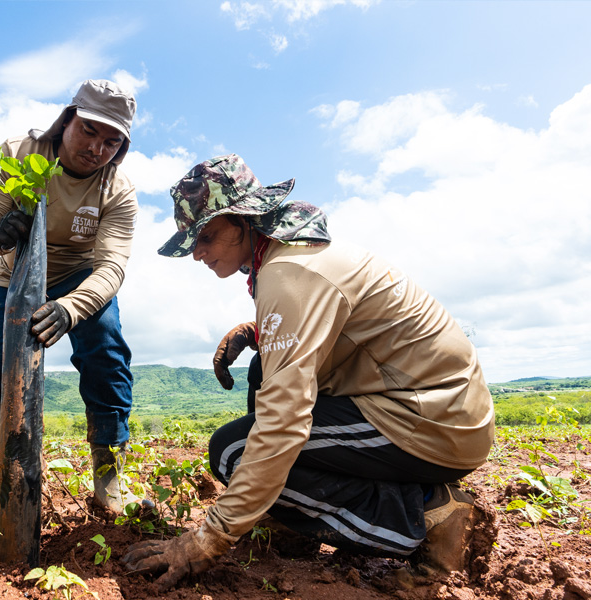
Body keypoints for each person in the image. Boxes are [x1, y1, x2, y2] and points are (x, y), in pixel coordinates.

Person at [122, 154, 495, 589]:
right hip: (427, 406)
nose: (198, 253)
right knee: (265, 371)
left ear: (245, 220)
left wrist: (209, 538)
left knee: (232, 451)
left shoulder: (290, 273)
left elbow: (283, 425)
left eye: (206, 235)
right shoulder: (294, 252)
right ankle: (291, 522)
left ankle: (428, 515)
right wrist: (258, 334)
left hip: (435, 422)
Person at [0, 79, 139, 513]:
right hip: (15, 273)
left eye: (112, 141)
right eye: (90, 131)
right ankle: (18, 472)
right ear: (66, 121)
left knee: (107, 358)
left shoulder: (117, 190)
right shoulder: (19, 153)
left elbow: (111, 267)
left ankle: (108, 478)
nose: (98, 148)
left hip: (79, 280)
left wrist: (70, 309)